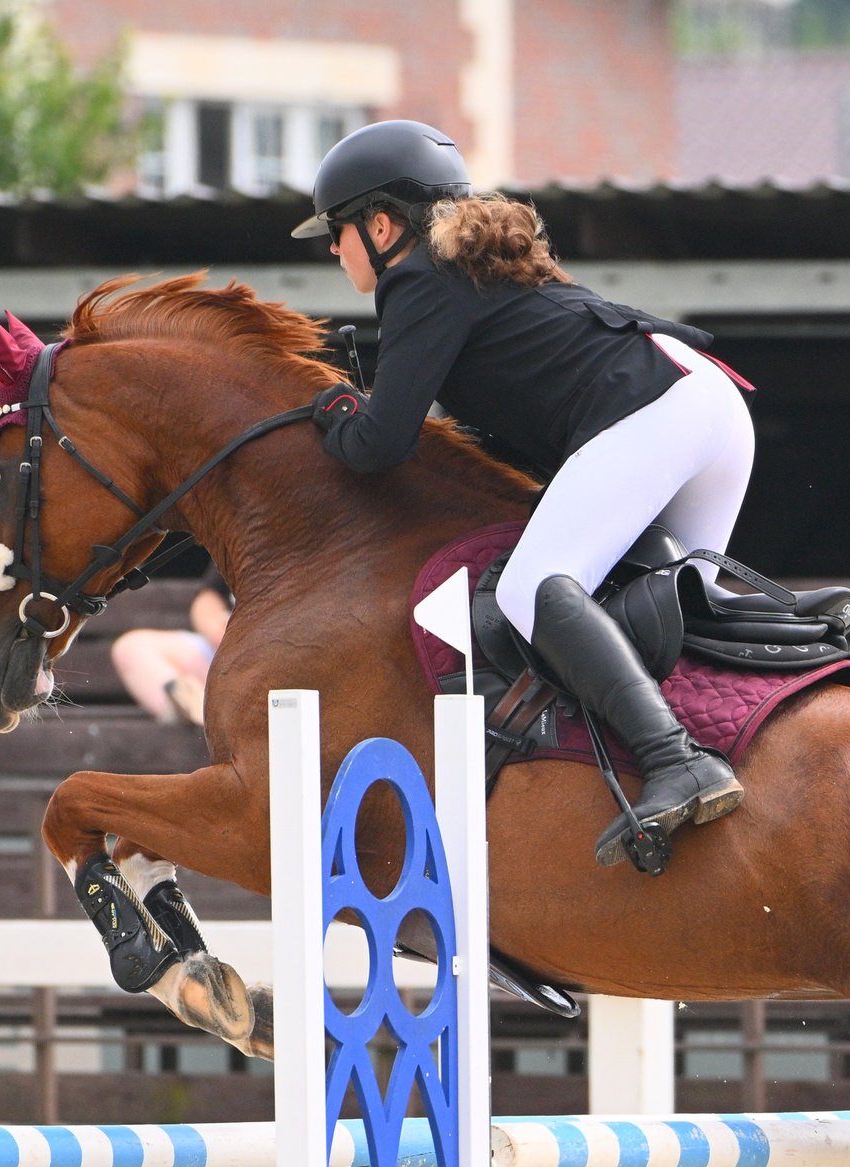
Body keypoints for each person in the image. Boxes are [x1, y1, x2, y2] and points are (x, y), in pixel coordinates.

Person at [291, 119, 754, 871]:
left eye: (337, 231)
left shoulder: (418, 280)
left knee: (533, 588)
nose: (332, 249)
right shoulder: (473, 272)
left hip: (658, 411)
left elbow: (379, 445)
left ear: (380, 224)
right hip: (707, 404)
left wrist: (332, 407)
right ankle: (742, 710)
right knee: (672, 604)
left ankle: (676, 761)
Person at [109, 568, 229, 725]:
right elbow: (209, 598)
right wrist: (217, 633)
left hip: (262, 662)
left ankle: (209, 720)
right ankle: (196, 713)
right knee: (131, 649)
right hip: (223, 655)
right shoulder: (239, 548)